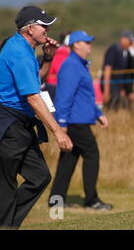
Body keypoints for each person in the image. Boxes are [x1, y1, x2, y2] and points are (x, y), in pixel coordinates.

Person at [0, 6, 73, 228]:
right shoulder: (20, 53)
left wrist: (48, 59)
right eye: (43, 25)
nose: (47, 29)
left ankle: (3, 224)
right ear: (29, 28)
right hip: (6, 126)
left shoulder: (23, 47)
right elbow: (33, 97)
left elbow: (35, 80)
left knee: (39, 176)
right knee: (3, 188)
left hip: (20, 126)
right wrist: (58, 131)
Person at [49, 30, 112, 210]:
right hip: (75, 122)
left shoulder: (80, 64)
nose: (90, 45)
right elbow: (64, 96)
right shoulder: (71, 65)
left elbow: (85, 96)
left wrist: (98, 114)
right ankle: (92, 200)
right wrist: (61, 123)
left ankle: (56, 199)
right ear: (76, 44)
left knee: (68, 159)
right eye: (86, 42)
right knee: (92, 154)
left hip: (81, 118)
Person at [101, 30, 134, 110]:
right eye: (130, 41)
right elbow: (107, 70)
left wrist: (122, 89)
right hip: (110, 84)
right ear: (123, 39)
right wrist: (106, 91)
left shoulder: (125, 52)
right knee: (112, 106)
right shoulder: (113, 50)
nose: (131, 44)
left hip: (118, 85)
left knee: (118, 106)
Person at [44, 31, 71, 101]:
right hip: (56, 88)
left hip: (56, 87)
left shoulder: (61, 53)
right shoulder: (62, 54)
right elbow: (63, 73)